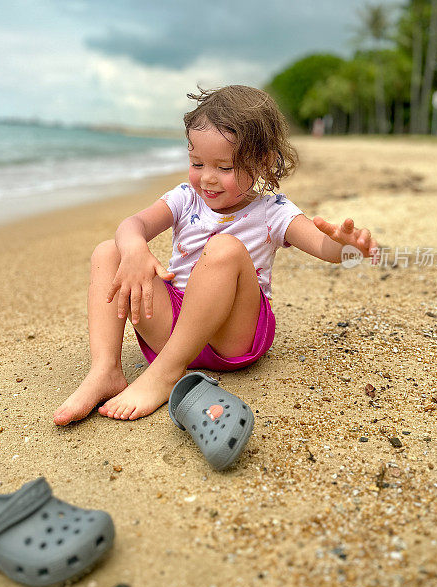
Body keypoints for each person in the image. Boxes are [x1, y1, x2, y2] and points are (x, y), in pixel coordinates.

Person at [53, 85, 378, 425]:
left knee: (224, 247)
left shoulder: (274, 211)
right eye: (197, 163)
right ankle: (105, 370)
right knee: (109, 250)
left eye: (224, 167)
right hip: (175, 327)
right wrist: (134, 246)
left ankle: (165, 374)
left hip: (234, 334)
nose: (207, 178)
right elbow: (132, 224)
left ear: (262, 163)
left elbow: (323, 247)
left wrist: (345, 246)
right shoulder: (185, 197)